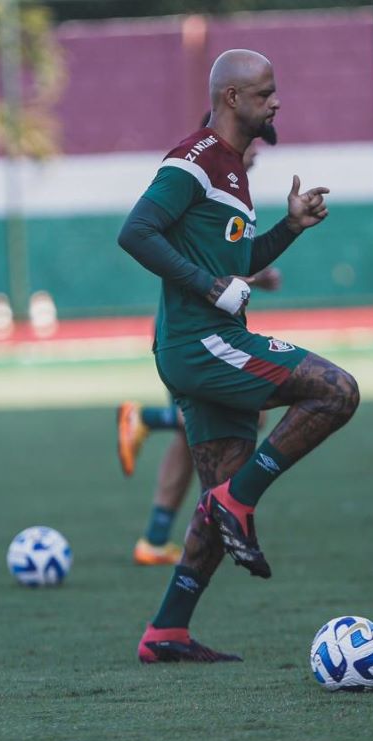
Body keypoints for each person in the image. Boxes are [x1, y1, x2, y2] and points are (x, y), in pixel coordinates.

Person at [117, 49, 359, 662]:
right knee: (336, 391)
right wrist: (206, 287)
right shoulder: (195, 160)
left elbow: (236, 264)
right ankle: (238, 500)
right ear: (231, 98)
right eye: (265, 92)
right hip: (200, 342)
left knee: (214, 507)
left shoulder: (233, 170)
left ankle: (165, 631)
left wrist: (290, 227)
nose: (276, 101)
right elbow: (135, 232)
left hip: (201, 344)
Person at [117, 116, 281, 567]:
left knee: (194, 438)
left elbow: (221, 259)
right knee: (246, 414)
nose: (254, 160)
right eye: (253, 152)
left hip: (207, 329)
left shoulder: (230, 186)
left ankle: (153, 539)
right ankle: (146, 418)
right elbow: (155, 240)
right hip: (193, 333)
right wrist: (237, 278)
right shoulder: (200, 171)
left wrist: (257, 270)